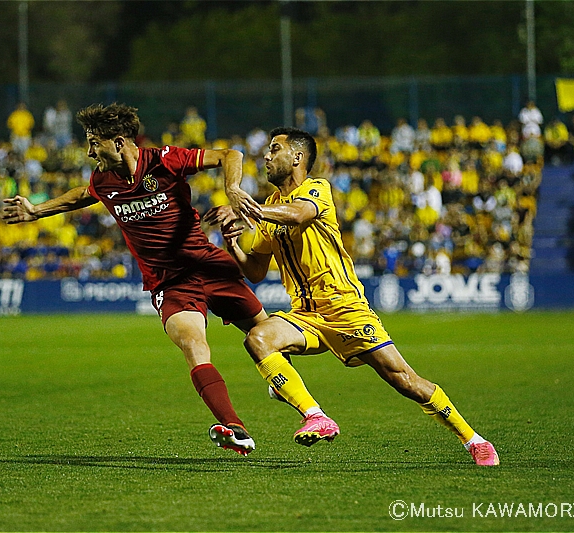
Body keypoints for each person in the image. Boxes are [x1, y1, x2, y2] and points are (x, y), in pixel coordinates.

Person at [3, 103, 288, 455]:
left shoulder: (164, 160)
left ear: (119, 142)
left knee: (266, 335)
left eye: (94, 143)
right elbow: (81, 195)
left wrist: (232, 189)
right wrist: (36, 209)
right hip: (170, 283)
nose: (89, 151)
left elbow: (231, 154)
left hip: (208, 265)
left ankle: (286, 385)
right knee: (193, 345)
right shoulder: (103, 181)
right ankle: (235, 427)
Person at [204, 127, 499, 466]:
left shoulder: (315, 189)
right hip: (306, 314)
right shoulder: (270, 207)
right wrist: (231, 239)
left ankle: (473, 439)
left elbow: (299, 214)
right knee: (258, 338)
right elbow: (255, 271)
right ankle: (315, 415)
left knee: (405, 381)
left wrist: (247, 209)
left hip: (346, 309)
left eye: (275, 149)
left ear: (297, 158)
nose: (266, 156)